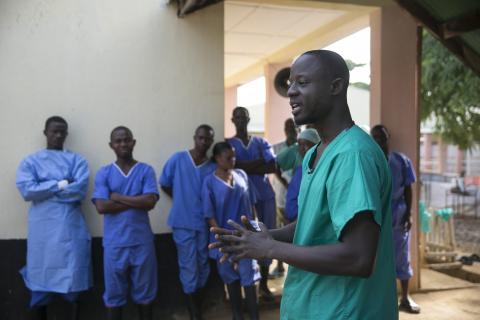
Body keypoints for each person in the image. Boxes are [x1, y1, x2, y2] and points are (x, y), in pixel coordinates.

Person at [210, 50, 398, 319]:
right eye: (290, 85)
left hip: (345, 312)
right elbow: (315, 224)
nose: (292, 93)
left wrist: (271, 249)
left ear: (336, 86)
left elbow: (359, 257)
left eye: (303, 83)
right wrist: (265, 237)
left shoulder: (353, 155)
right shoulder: (315, 153)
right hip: (313, 307)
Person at [16, 116, 92, 320]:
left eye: (62, 132)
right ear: (45, 132)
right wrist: (60, 184)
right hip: (42, 231)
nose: (58, 135)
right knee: (40, 281)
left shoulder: (78, 161)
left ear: (67, 134)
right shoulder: (30, 161)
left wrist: (44, 188)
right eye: (54, 131)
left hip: (70, 227)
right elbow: (27, 190)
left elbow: (78, 191)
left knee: (73, 277)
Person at [92, 126, 159, 320]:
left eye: (126, 140)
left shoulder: (145, 170)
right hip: (115, 244)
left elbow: (150, 202)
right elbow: (102, 207)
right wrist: (136, 200)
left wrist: (118, 197)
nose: (123, 144)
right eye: (118, 141)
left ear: (134, 142)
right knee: (114, 295)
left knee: (146, 293)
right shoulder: (104, 173)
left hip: (142, 242)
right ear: (111, 145)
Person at [159, 124, 216, 320]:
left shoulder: (212, 167)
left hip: (203, 223)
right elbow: (164, 183)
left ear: (211, 141)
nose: (204, 142)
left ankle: (197, 305)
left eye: (208, 139)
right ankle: (194, 313)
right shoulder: (178, 159)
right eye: (200, 137)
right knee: (188, 265)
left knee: (202, 263)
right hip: (182, 222)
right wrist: (181, 199)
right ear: (194, 137)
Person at [202, 142, 260, 320]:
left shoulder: (241, 175)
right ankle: (237, 316)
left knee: (249, 279)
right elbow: (209, 214)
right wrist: (223, 237)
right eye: (228, 157)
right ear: (218, 159)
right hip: (224, 240)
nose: (233, 160)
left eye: (234, 156)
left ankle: (254, 317)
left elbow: (251, 205)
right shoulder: (209, 182)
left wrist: (255, 228)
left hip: (245, 237)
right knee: (231, 279)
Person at [226, 107, 277, 300]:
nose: (240, 120)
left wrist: (242, 164)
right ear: (232, 119)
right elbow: (231, 164)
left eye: (243, 117)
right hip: (243, 198)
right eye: (237, 117)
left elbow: (272, 165)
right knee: (243, 236)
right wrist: (257, 163)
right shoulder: (228, 143)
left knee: (268, 235)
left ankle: (263, 284)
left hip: (265, 195)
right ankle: (243, 287)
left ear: (248, 119)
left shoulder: (261, 141)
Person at [371, 124, 420, 314]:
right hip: (377, 214)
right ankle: (381, 299)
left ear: (387, 138)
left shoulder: (401, 161)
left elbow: (408, 188)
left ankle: (405, 297)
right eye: (374, 137)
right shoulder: (370, 161)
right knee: (378, 257)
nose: (379, 141)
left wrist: (409, 214)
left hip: (398, 214)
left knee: (401, 254)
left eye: (381, 137)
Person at [270, 118, 299, 278]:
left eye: (293, 126)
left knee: (296, 231)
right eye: (288, 126)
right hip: (281, 195)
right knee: (281, 228)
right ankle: (280, 265)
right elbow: (273, 166)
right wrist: (286, 183)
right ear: (284, 129)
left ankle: (294, 266)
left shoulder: (303, 147)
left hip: (298, 198)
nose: (291, 129)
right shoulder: (277, 148)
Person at [284, 128, 320, 222]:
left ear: (316, 146)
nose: (302, 148)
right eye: (300, 144)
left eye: (306, 144)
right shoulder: (300, 169)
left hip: (303, 221)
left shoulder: (318, 170)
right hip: (291, 221)